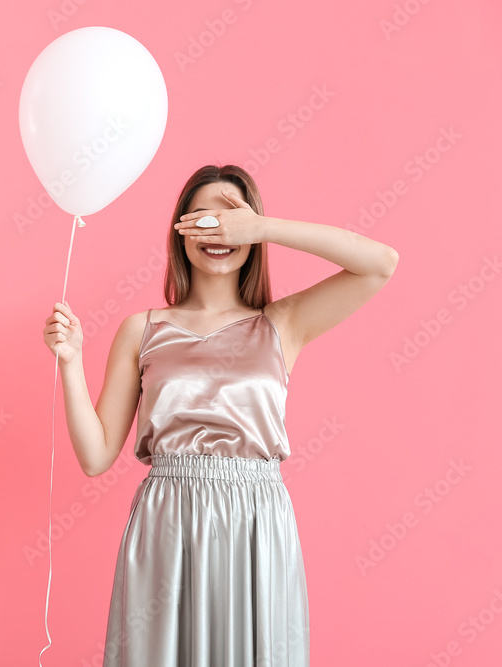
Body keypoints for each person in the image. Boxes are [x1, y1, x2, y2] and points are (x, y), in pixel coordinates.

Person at [41, 164, 398, 666]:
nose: (218, 231)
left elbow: (380, 263)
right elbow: (97, 456)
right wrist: (71, 362)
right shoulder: (141, 330)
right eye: (203, 218)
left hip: (255, 520)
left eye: (231, 218)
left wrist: (263, 227)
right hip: (167, 517)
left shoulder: (282, 324)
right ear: (179, 230)